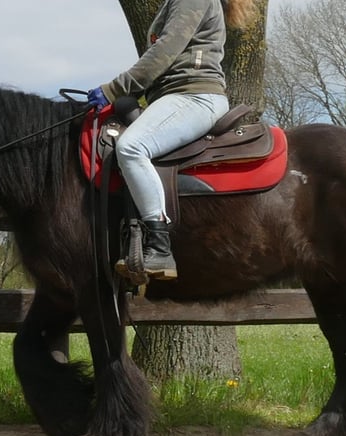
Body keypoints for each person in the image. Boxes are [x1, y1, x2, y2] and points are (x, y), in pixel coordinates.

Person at [88, 0, 256, 280]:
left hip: (194, 96)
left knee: (132, 148)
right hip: (174, 97)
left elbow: (165, 50)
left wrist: (114, 89)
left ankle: (159, 245)